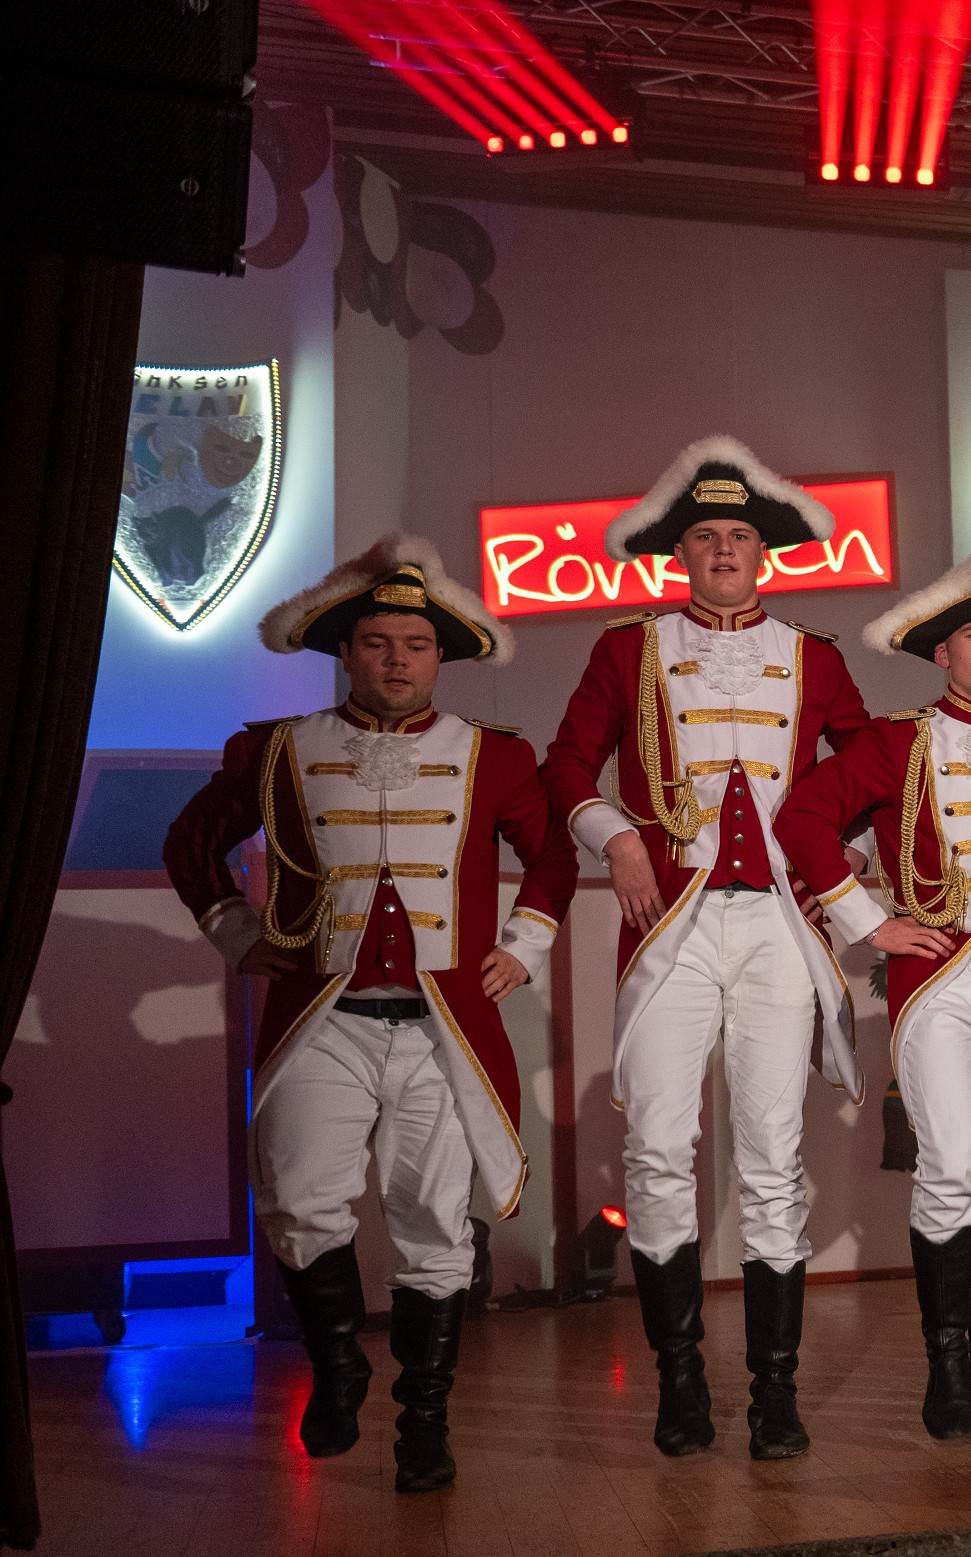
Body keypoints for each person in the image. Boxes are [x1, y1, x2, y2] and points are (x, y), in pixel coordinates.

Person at [165, 538, 575, 1491]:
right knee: (300, 1200)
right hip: (324, 1017)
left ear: (440, 658)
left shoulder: (495, 754)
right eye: (379, 642)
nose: (398, 660)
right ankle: (339, 1364)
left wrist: (525, 942)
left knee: (434, 1221)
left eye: (416, 645)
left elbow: (553, 853)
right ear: (346, 652)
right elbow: (191, 838)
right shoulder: (277, 748)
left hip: (442, 1027)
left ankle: (425, 1422)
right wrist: (237, 932)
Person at [541, 437, 870, 1462]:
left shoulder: (815, 656)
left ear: (763, 553)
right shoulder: (625, 650)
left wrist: (836, 856)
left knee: (772, 1153)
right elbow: (566, 763)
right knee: (655, 1149)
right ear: (677, 552)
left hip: (776, 925)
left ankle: (775, 1392)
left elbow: (866, 769)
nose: (724, 549)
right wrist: (619, 838)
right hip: (667, 927)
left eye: (739, 535)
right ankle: (679, 1381)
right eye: (705, 536)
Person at [774, 546, 971, 1441]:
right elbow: (802, 817)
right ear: (941, 653)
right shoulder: (897, 741)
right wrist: (871, 923)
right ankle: (946, 1370)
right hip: (938, 980)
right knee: (951, 1165)